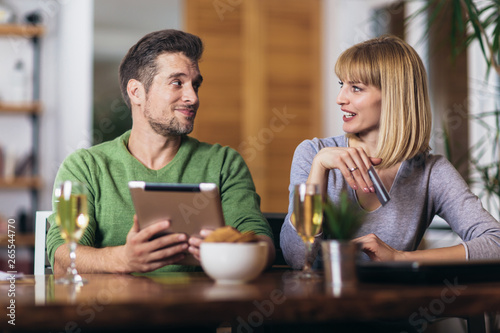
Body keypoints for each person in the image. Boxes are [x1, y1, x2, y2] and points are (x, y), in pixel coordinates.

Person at [46, 29, 275, 274]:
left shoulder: (224, 163)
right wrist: (123, 259)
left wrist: (223, 252)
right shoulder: (85, 167)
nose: (193, 97)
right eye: (177, 83)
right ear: (136, 92)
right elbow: (62, 259)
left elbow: (265, 247)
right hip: (112, 311)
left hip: (204, 311)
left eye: (195, 85)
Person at [280, 35, 500, 269]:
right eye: (341, 85)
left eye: (356, 88)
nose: (340, 99)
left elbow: (495, 243)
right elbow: (297, 259)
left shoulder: (431, 172)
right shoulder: (314, 153)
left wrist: (401, 258)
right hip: (324, 302)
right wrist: (319, 170)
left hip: (395, 304)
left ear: (394, 97)